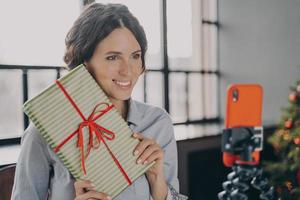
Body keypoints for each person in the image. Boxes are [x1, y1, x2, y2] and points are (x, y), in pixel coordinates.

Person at [12, 3, 187, 200]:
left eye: (135, 56)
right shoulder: (44, 131)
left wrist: (157, 181)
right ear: (84, 62)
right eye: (113, 57)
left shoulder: (158, 122)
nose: (127, 71)